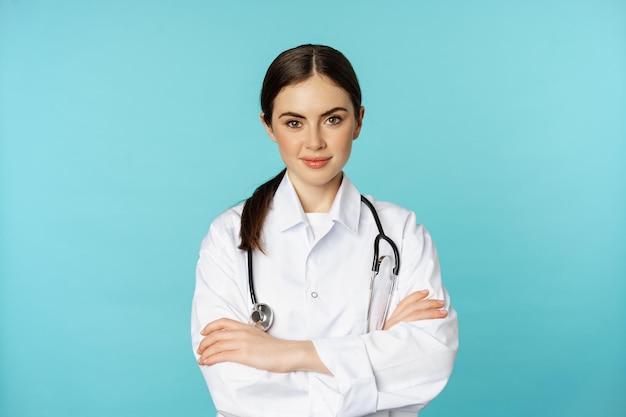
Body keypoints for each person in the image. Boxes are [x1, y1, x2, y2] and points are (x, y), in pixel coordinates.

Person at [191, 44, 458, 417]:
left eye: (332, 119)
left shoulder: (402, 232)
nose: (314, 141)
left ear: (358, 121)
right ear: (268, 126)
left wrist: (287, 354)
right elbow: (236, 389)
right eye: (293, 122)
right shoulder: (227, 237)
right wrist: (376, 350)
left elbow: (428, 363)